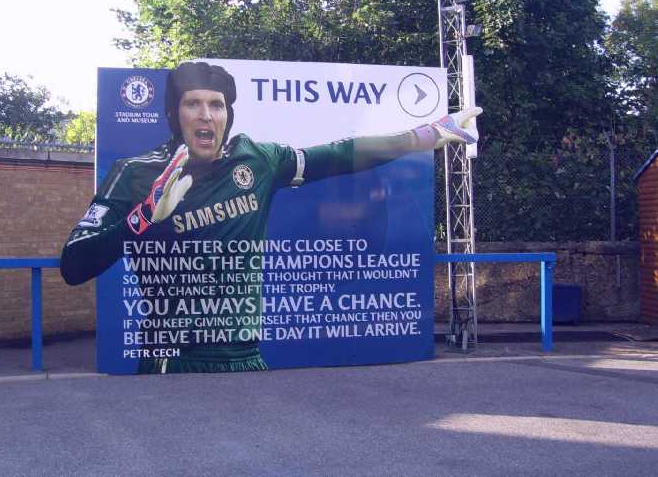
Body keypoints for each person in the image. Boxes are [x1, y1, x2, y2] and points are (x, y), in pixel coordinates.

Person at [61, 61, 481, 373]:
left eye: (216, 105)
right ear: (174, 114)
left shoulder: (257, 160)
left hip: (246, 356)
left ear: (228, 115)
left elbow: (338, 154)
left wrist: (425, 135)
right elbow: (74, 265)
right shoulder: (136, 172)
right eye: (193, 104)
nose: (206, 115)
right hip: (172, 359)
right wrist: (143, 218)